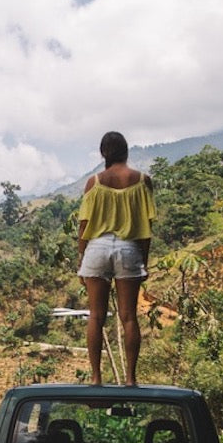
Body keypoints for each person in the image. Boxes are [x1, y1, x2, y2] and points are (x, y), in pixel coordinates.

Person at [76, 130, 155, 386]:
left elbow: (84, 226)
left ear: (103, 153)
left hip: (97, 249)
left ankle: (96, 377)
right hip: (129, 248)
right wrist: (144, 260)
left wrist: (81, 260)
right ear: (126, 151)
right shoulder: (143, 181)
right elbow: (146, 227)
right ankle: (131, 379)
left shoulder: (94, 183)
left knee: (96, 316)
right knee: (129, 317)